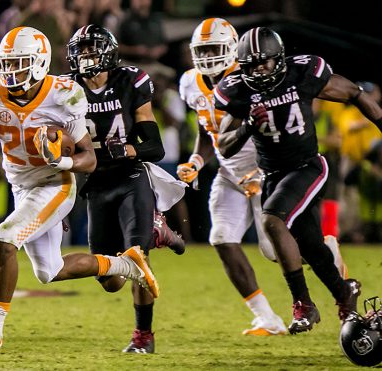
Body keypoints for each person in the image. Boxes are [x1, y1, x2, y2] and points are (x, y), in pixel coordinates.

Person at [0, 26, 159, 356]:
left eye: (19, 63)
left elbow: (89, 158)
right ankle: (127, 265)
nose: (11, 71)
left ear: (39, 63)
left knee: (5, 238)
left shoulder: (62, 95)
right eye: (6, 63)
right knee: (48, 271)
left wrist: (61, 160)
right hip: (20, 186)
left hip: (54, 184)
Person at [215, 27, 382, 333]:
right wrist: (248, 125)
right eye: (251, 65)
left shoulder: (301, 73)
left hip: (307, 166)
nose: (258, 70)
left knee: (272, 221)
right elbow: (223, 144)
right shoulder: (238, 90)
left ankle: (302, 303)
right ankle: (345, 291)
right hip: (273, 174)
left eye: (263, 62)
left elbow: (355, 93)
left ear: (278, 59)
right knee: (311, 245)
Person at [66, 24, 185, 353]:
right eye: (81, 52)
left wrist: (126, 150)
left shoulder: (130, 81)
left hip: (131, 176)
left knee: (137, 257)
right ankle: (158, 229)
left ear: (108, 52)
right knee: (111, 280)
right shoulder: (65, 89)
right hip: (97, 183)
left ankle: (143, 335)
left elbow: (155, 146)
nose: (85, 58)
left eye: (92, 50)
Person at [177, 18, 286, 336]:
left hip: (265, 171)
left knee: (274, 251)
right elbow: (205, 129)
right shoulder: (189, 82)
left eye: (214, 48)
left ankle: (326, 251)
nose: (208, 56)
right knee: (222, 238)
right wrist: (197, 160)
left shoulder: (248, 78)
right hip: (229, 173)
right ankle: (266, 316)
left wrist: (268, 170)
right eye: (203, 49)